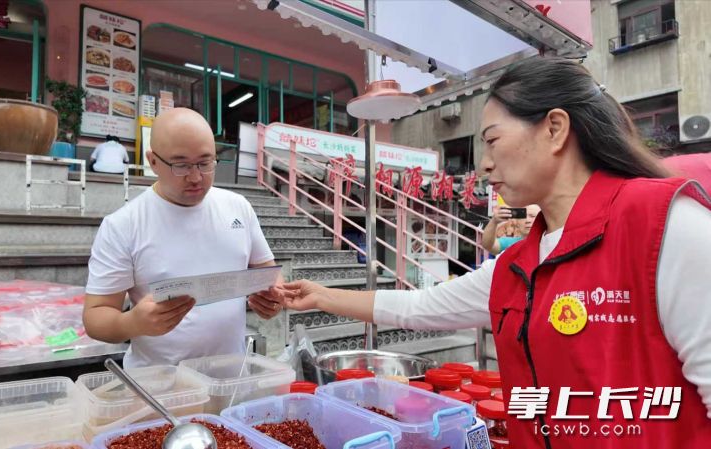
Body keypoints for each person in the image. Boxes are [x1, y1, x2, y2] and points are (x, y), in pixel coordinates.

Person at [274, 58, 711, 448]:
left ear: (555, 129)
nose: (482, 164)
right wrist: (321, 296)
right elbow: (419, 306)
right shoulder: (520, 263)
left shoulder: (666, 227)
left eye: (492, 139)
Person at [83, 108, 283, 368]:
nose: (196, 177)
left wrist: (273, 297)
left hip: (232, 380)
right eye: (181, 165)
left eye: (205, 162)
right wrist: (132, 322)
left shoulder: (238, 207)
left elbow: (270, 274)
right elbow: (95, 317)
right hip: (161, 386)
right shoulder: (123, 225)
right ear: (153, 161)